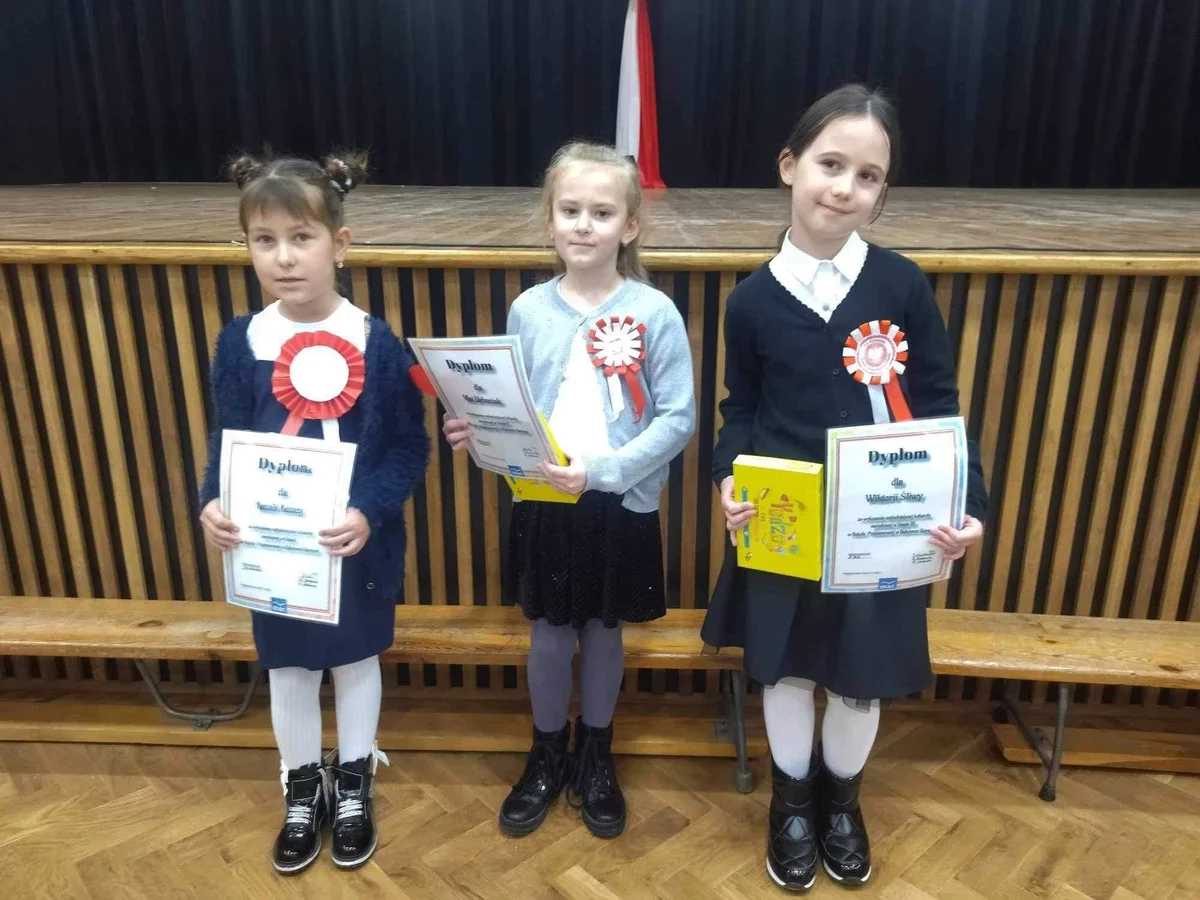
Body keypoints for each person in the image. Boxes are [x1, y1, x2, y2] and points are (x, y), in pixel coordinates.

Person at [702, 85, 988, 891]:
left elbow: (939, 405)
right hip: (785, 521)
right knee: (788, 670)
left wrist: (968, 506)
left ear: (882, 191)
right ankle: (791, 803)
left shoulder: (901, 286)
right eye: (830, 164)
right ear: (789, 166)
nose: (845, 187)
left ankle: (842, 803)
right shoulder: (752, 301)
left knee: (861, 678)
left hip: (883, 525)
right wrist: (728, 477)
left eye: (868, 176)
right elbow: (740, 408)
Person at [443, 141, 695, 839]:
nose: (585, 224)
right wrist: (478, 434)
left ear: (630, 225)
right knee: (551, 637)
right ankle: (547, 751)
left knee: (603, 634)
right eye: (571, 210)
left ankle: (597, 753)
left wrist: (603, 473)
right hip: (545, 505)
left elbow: (678, 418)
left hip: (621, 506)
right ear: (550, 221)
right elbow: (514, 408)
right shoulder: (528, 310)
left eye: (602, 212)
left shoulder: (655, 313)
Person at [198, 151, 429, 874]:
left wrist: (369, 511)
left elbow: (409, 448)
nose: (285, 257)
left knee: (357, 661)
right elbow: (226, 440)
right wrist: (211, 501)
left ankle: (354, 783)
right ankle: (301, 788)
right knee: (290, 669)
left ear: (341, 243)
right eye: (265, 240)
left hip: (354, 546)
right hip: (274, 550)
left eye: (302, 238)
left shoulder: (377, 342)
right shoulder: (240, 341)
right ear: (246, 247)